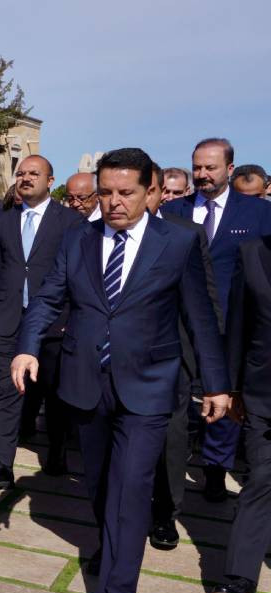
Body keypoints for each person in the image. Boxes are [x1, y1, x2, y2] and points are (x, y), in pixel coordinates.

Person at [12, 147, 229, 593]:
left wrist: (216, 385)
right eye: (106, 192)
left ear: (150, 191)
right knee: (100, 487)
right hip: (86, 385)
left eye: (125, 193)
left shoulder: (178, 242)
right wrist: (26, 350)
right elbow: (47, 298)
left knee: (131, 491)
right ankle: (112, 549)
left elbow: (201, 317)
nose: (113, 202)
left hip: (150, 387)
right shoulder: (78, 239)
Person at [162, 138, 271, 501]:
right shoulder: (173, 211)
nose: (202, 175)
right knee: (177, 398)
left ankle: (214, 467)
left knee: (223, 394)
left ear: (230, 168)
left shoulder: (257, 214)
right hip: (179, 321)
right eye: (197, 168)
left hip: (232, 322)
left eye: (210, 168)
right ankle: (172, 466)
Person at [0, 155, 85, 492]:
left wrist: (71, 318)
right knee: (9, 392)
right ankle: (2, 465)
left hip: (54, 322)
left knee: (54, 393)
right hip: (9, 318)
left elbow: (78, 275)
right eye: (20, 173)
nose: (25, 178)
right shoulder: (2, 221)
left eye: (33, 174)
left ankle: (56, 451)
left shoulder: (70, 222)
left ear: (51, 181)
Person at [142, 164, 217, 551]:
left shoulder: (186, 234)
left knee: (172, 438)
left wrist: (211, 370)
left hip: (173, 357)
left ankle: (165, 513)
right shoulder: (104, 234)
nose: (159, 197)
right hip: (124, 357)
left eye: (163, 191)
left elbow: (204, 303)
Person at [209, 230, 271, 593]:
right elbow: (238, 327)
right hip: (264, 392)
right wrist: (230, 387)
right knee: (262, 478)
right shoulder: (252, 253)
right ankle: (239, 582)